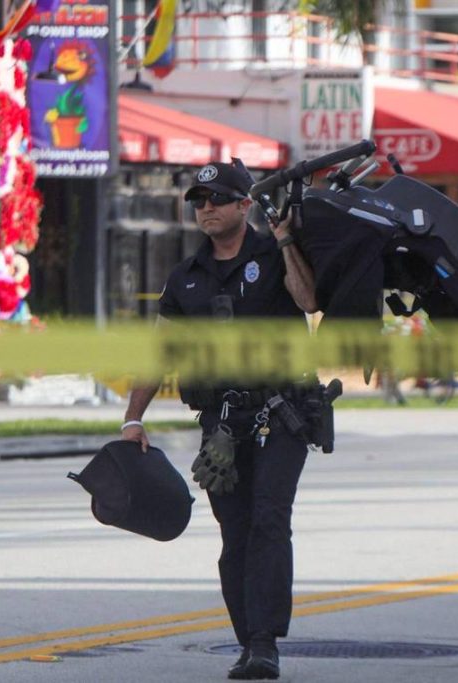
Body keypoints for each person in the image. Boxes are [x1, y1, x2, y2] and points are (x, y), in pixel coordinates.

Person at [121, 160, 319, 680]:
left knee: (269, 522)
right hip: (222, 425)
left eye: (216, 199)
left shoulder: (273, 255)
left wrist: (284, 242)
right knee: (235, 533)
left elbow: (309, 300)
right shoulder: (185, 278)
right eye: (198, 201)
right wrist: (132, 420)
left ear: (243, 205)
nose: (206, 208)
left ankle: (264, 642)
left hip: (283, 413)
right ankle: (247, 640)